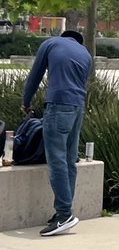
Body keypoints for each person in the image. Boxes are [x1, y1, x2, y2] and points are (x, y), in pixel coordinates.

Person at [21, 30, 92, 237]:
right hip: (77, 108)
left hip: (58, 105)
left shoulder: (51, 43)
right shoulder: (86, 54)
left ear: (63, 36)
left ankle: (64, 214)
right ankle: (64, 212)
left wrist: (26, 102)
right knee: (69, 161)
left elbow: (35, 76)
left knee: (57, 161)